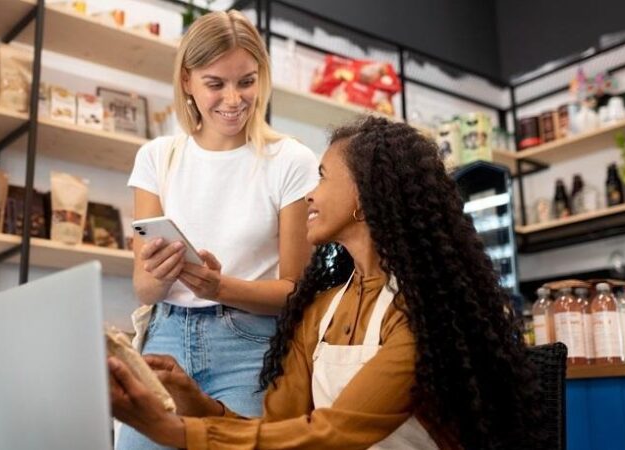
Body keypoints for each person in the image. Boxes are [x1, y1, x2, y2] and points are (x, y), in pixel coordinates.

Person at [109, 116, 545, 449]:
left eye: (322, 176)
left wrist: (174, 430)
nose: (309, 195)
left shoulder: (420, 313)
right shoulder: (322, 309)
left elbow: (333, 434)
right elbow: (278, 432)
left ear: (363, 196)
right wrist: (190, 397)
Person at [119, 9, 319, 450]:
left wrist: (218, 286)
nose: (233, 99)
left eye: (246, 81)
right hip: (164, 338)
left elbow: (295, 292)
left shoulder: (290, 161)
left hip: (250, 346)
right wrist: (160, 273)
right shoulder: (157, 158)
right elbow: (145, 290)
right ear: (187, 80)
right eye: (216, 83)